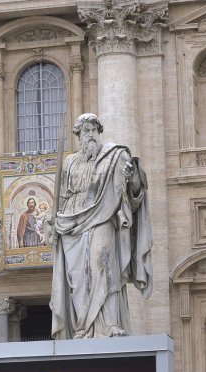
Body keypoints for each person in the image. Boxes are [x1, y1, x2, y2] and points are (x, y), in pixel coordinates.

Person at [48, 113, 152, 339]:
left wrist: (131, 177)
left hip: (103, 217)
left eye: (94, 130)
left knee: (102, 265)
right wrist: (55, 220)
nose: (91, 135)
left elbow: (135, 193)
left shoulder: (115, 156)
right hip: (72, 223)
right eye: (86, 131)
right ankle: (83, 327)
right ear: (78, 136)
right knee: (78, 277)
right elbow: (63, 196)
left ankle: (110, 324)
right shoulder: (69, 162)